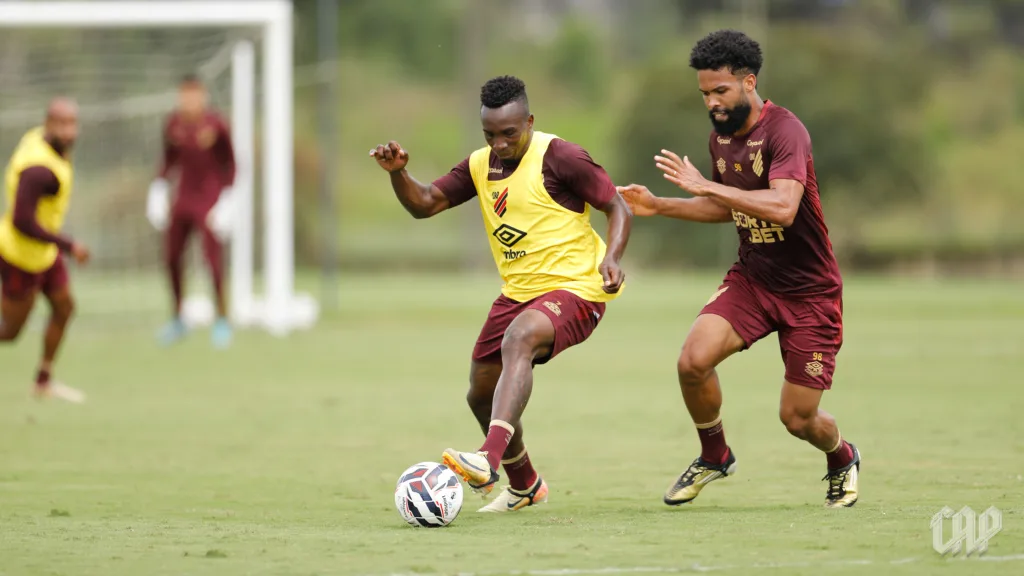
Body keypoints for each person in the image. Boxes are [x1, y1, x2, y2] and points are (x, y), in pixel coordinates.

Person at [618, 30, 860, 508]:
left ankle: (843, 457)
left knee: (797, 418)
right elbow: (732, 208)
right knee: (693, 361)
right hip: (753, 279)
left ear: (749, 82)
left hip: (810, 294)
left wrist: (706, 187)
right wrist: (660, 204)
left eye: (721, 91)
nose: (712, 102)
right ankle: (715, 455)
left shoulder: (786, 131)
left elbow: (783, 206)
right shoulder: (721, 138)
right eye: (705, 94)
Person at [371, 75, 632, 513]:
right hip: (517, 293)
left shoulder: (562, 157)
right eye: (490, 135)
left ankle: (487, 459)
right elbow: (426, 203)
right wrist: (399, 174)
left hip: (579, 287)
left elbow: (616, 206)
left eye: (509, 133)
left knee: (521, 337)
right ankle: (526, 484)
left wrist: (614, 258)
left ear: (529, 121)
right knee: (479, 393)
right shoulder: (480, 164)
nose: (500, 144)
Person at [0, 97, 90, 403]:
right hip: (20, 256)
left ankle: (43, 381)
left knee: (65, 308)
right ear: (48, 124)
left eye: (72, 124)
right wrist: (70, 245)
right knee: (9, 333)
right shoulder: (40, 171)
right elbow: (22, 221)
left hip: (44, 254)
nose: (69, 131)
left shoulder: (39, 139)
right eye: (62, 124)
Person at [147, 74, 236, 348]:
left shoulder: (216, 124)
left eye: (193, 94)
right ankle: (177, 318)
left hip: (208, 199)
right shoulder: (173, 123)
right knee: (172, 257)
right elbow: (168, 160)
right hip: (182, 198)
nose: (189, 100)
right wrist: (159, 187)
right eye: (184, 95)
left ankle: (221, 319)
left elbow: (231, 164)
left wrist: (227, 199)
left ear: (203, 95)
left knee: (211, 260)